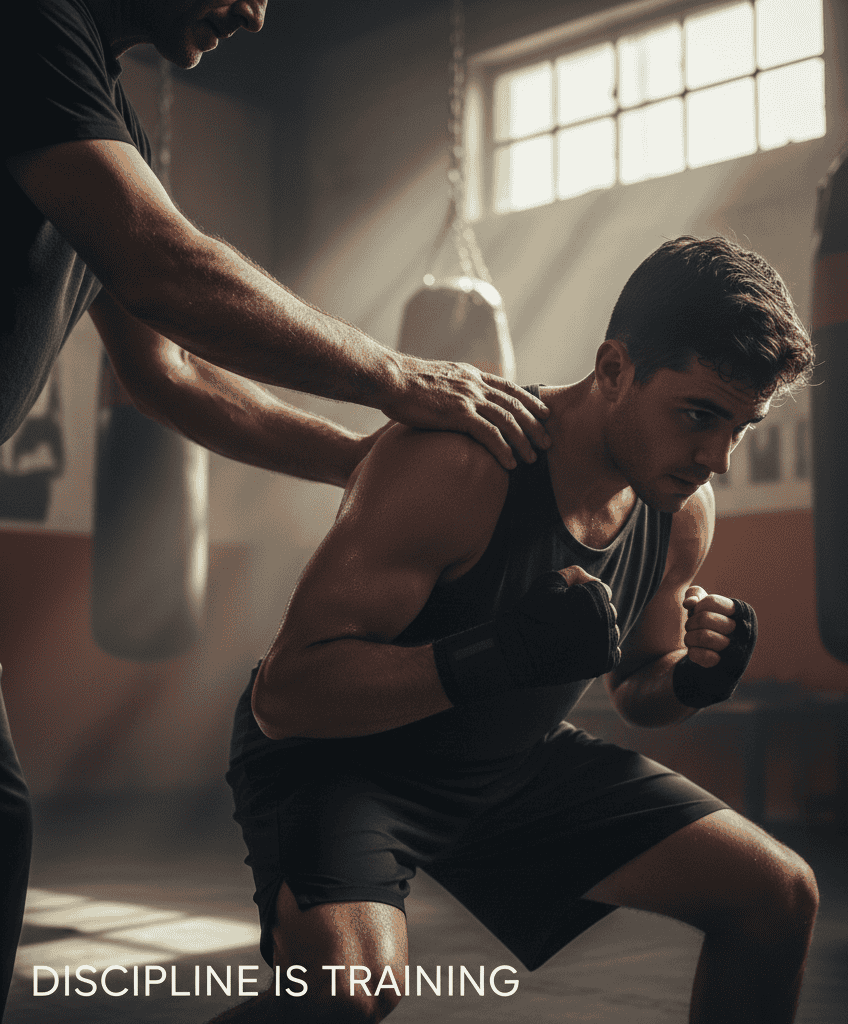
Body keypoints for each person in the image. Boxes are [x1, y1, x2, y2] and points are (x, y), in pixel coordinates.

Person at [1, 1, 549, 1016]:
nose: (256, 14)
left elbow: (170, 373)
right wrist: (395, 375)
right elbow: (165, 263)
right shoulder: (31, 24)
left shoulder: (108, 117)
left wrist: (361, 465)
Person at [216, 236, 819, 1024]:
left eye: (741, 426)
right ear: (614, 369)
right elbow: (286, 696)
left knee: (777, 893)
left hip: (505, 760)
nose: (718, 457)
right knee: (345, 994)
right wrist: (493, 656)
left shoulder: (679, 511)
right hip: (345, 763)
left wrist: (694, 678)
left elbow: (637, 689)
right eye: (700, 415)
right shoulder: (460, 464)